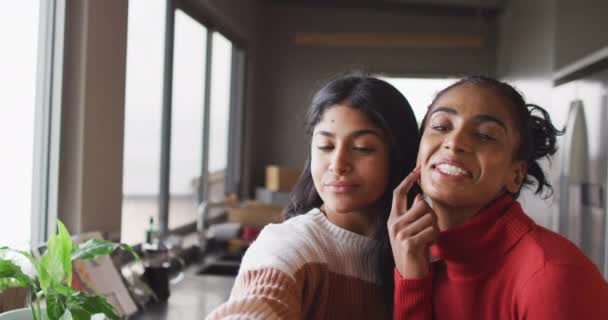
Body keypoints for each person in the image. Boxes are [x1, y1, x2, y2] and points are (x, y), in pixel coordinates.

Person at [389, 75, 608, 319]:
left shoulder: (554, 275)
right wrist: (412, 281)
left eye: (485, 135)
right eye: (441, 127)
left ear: (515, 174)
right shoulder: (416, 255)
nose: (454, 142)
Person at [207, 74, 420, 319]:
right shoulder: (291, 245)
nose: (338, 165)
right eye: (326, 147)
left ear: (399, 157)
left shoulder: (422, 250)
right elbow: (259, 301)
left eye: (362, 148)